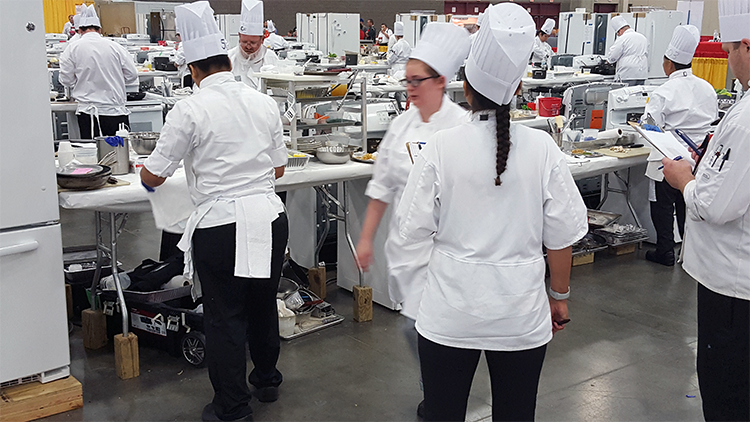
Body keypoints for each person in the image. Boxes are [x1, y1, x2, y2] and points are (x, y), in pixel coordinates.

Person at [395, 3, 588, 421]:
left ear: (464, 86)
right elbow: (561, 239)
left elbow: (410, 231)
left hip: (450, 315)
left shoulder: (439, 150)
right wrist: (559, 298)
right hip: (520, 315)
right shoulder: (543, 150)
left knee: (443, 413)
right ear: (518, 88)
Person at [140, 2, 289, 421]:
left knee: (225, 316)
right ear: (227, 58)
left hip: (222, 226)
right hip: (268, 217)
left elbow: (152, 177)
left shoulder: (189, 109)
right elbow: (278, 167)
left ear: (193, 70)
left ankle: (232, 405)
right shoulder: (262, 102)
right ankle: (267, 381)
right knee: (262, 304)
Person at [355, 22, 471, 418]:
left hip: (449, 253)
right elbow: (381, 186)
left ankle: (440, 400)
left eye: (417, 81)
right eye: (406, 81)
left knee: (431, 336)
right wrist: (366, 239)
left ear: (441, 81)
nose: (410, 88)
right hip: (409, 252)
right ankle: (437, 394)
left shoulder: (461, 127)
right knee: (417, 332)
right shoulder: (402, 126)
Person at [661, 1, 750, 420]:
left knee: (725, 390)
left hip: (732, 287)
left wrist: (685, 180)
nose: (729, 60)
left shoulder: (747, 118)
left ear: (746, 47)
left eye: (731, 49)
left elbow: (716, 207)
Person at [641, 25, 718, 266]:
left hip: (668, 159)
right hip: (698, 158)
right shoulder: (707, 87)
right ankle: (689, 252)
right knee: (688, 203)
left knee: (662, 206)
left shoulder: (664, 91)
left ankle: (665, 252)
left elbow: (649, 127)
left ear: (669, 64)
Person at [59, 5, 137, 139]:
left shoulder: (72, 48)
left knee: (92, 154)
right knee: (119, 154)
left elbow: (66, 80)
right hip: (115, 112)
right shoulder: (116, 47)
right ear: (100, 29)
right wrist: (114, 79)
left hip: (89, 114)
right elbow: (132, 75)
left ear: (79, 30)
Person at [228, 0, 278, 91]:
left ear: (262, 39)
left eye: (253, 43)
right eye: (244, 42)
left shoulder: (271, 58)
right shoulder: (229, 58)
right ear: (239, 36)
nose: (248, 46)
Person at [605, 16, 649, 85]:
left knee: (625, 94)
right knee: (638, 94)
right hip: (641, 73)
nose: (618, 35)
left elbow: (613, 55)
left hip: (627, 73)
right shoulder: (643, 37)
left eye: (618, 33)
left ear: (620, 30)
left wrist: (608, 61)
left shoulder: (623, 38)